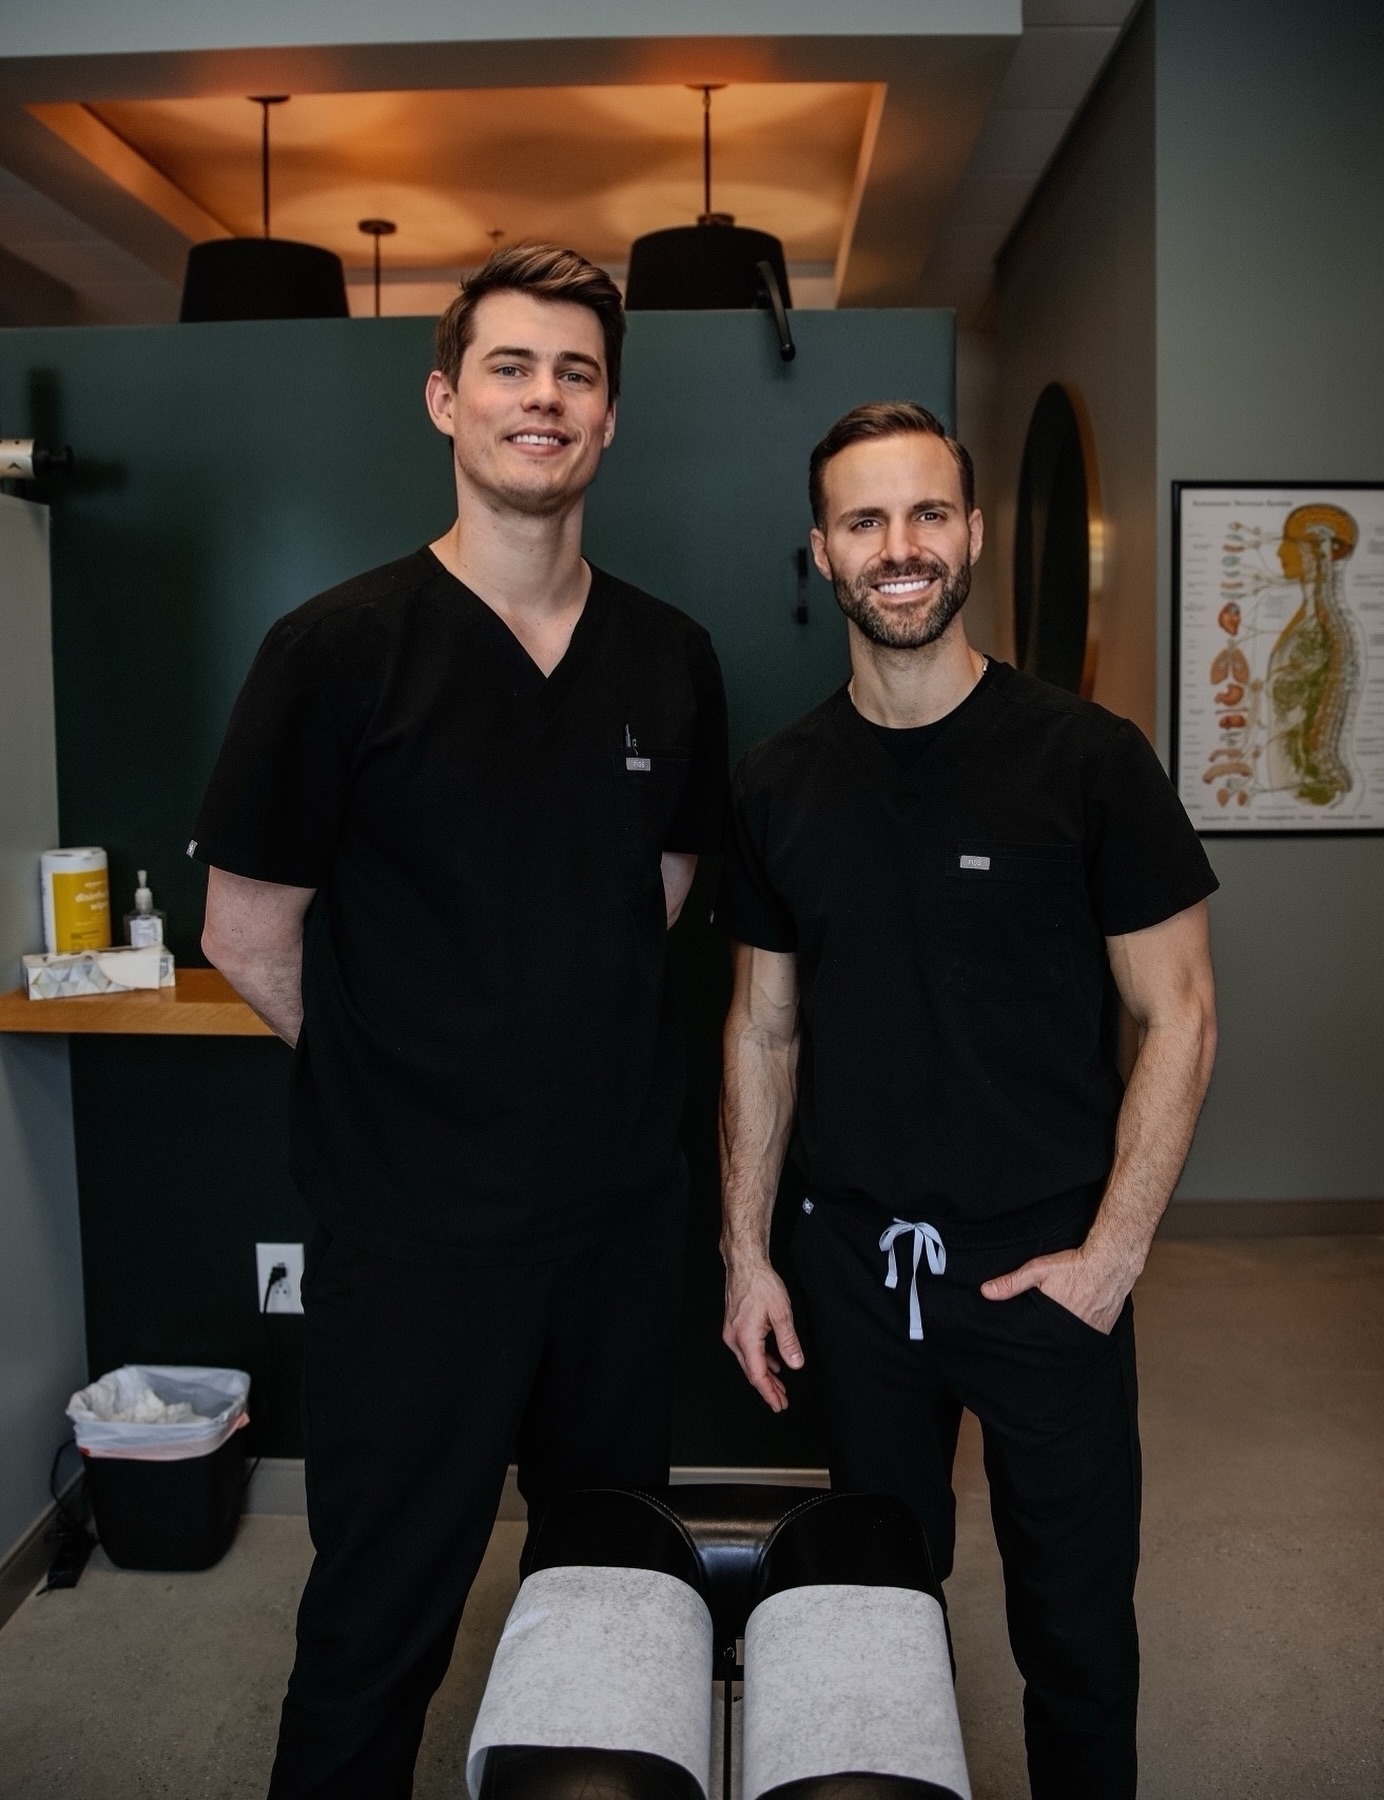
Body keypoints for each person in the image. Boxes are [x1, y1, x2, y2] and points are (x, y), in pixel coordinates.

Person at [192, 243, 728, 1799]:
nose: (543, 399)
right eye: (510, 366)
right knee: (376, 1628)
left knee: (612, 1598)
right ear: (444, 397)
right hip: (416, 1243)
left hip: (617, 1235)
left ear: (612, 418)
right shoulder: (336, 651)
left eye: (575, 373)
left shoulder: (670, 659)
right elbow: (246, 931)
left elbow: (659, 897)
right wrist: (414, 1070)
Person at [718, 401, 1217, 1800]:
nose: (901, 548)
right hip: (857, 1277)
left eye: (928, 514)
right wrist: (747, 1253)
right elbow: (763, 1030)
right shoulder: (779, 783)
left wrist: (1113, 1257)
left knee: (1073, 1626)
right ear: (822, 552)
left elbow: (1178, 1013)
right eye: (866, 521)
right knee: (877, 1606)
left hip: (1048, 1267)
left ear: (975, 533)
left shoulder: (1089, 760)